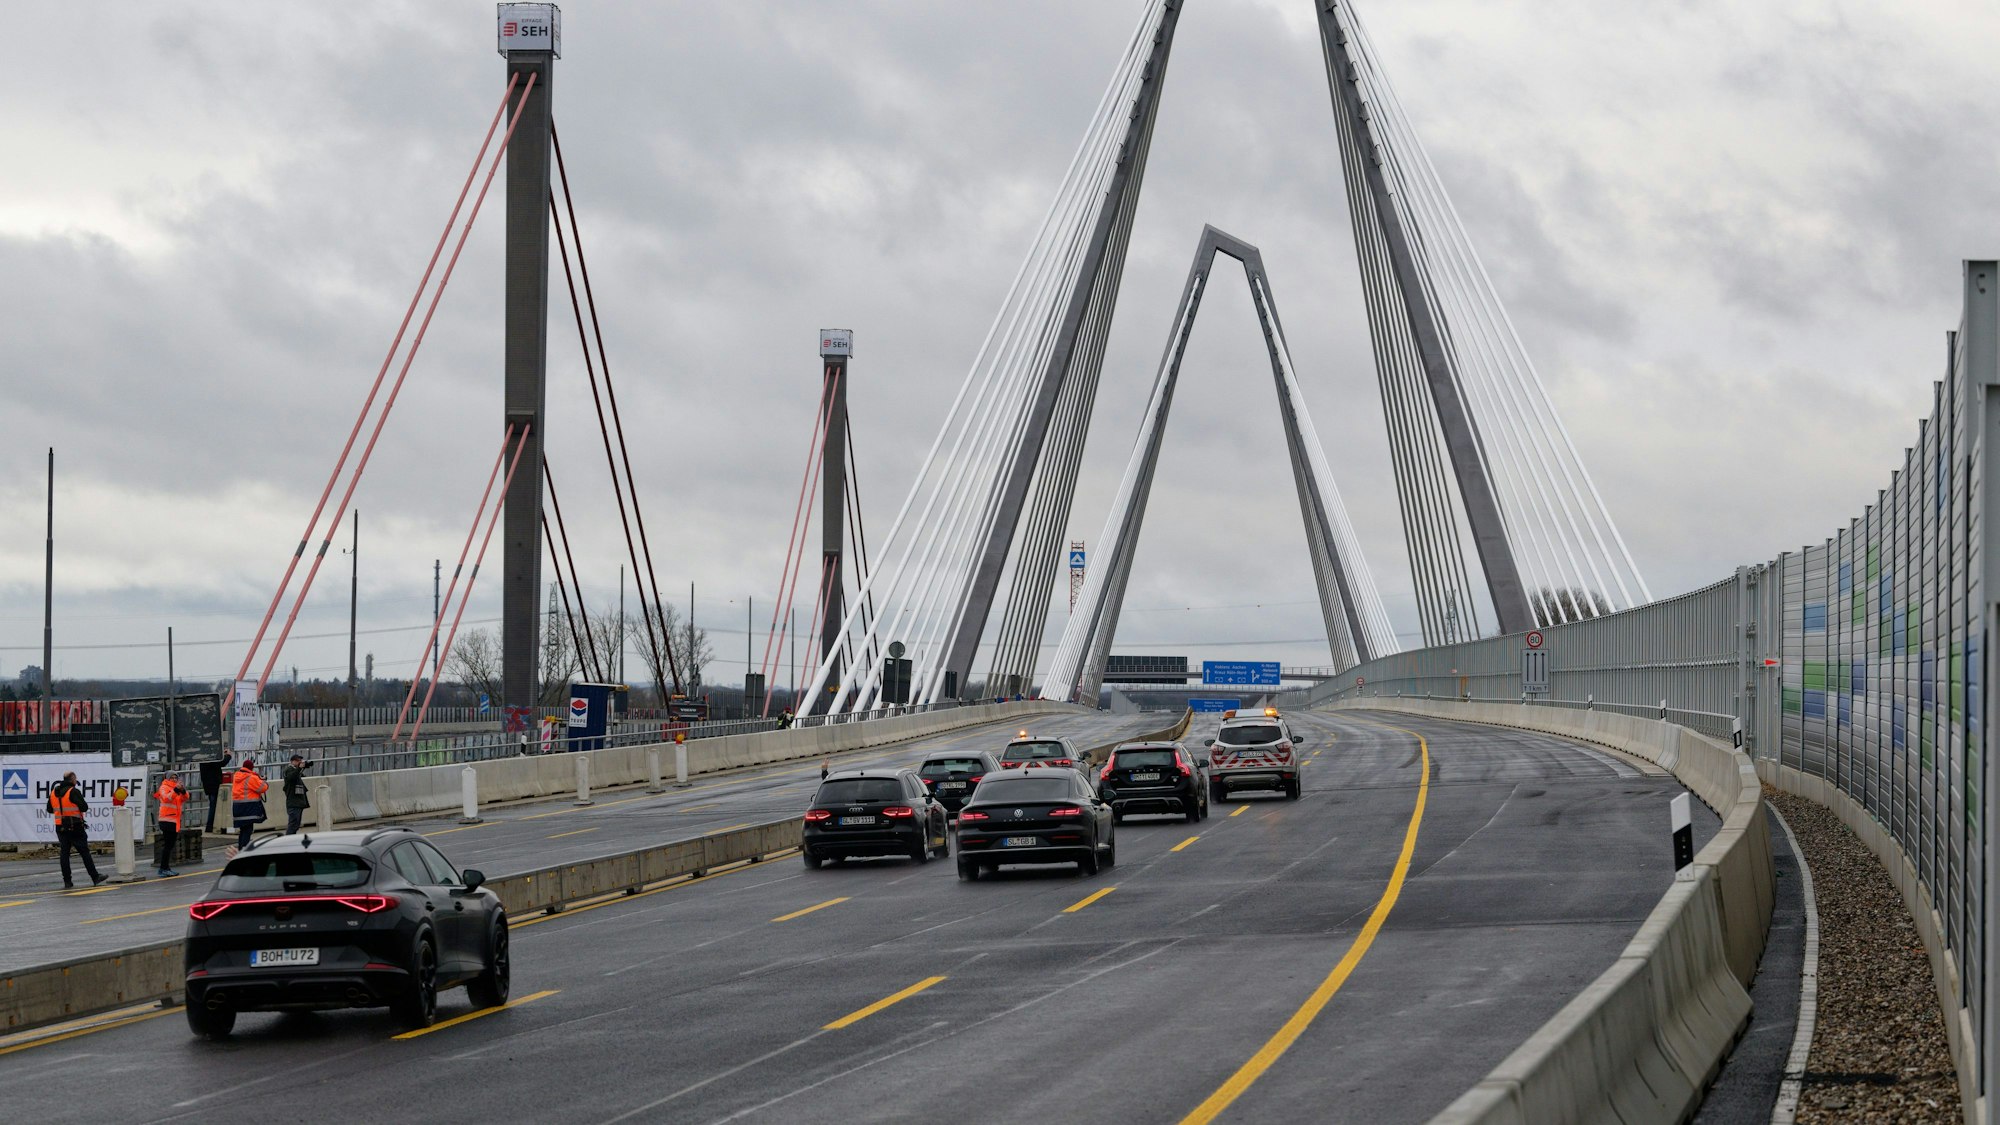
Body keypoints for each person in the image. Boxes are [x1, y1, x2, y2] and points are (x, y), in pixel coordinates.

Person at [47, 771, 105, 887]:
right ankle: (95, 877)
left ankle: (67, 881)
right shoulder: (73, 791)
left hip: (60, 827)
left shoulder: (54, 792)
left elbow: (49, 809)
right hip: (75, 826)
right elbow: (84, 807)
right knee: (84, 852)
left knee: (64, 854)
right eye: (75, 779)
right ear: (72, 779)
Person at [230, 757, 268, 851]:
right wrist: (264, 781)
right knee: (248, 830)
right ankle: (245, 850)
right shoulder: (251, 778)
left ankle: (241, 849)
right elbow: (262, 788)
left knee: (243, 830)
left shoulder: (236, 776)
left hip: (237, 807)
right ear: (252, 768)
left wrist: (256, 777)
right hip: (248, 808)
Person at [154, 775, 187, 877]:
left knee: (170, 845)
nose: (174, 779)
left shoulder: (175, 788)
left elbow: (185, 798)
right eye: (172, 777)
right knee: (168, 845)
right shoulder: (164, 787)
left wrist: (183, 791)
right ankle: (163, 868)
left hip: (174, 821)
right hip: (166, 820)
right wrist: (176, 789)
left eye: (176, 777)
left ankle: (165, 867)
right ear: (167, 778)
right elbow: (167, 798)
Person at [199, 752, 232, 833]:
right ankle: (210, 826)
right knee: (214, 806)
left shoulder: (203, 757)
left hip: (208, 785)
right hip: (214, 785)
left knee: (213, 805)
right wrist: (228, 756)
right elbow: (221, 763)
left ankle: (211, 825)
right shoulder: (209, 758)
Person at [281, 753, 312, 835]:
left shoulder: (295, 770)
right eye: (298, 761)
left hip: (298, 802)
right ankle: (288, 841)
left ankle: (291, 840)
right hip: (293, 802)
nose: (299, 762)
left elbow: (298, 775)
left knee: (296, 825)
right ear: (292, 761)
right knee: (293, 825)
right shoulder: (288, 769)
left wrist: (302, 768)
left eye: (300, 761)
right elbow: (292, 777)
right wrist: (299, 768)